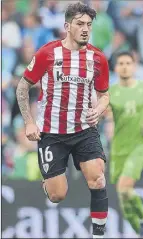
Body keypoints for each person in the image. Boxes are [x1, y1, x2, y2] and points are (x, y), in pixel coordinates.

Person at [16, 3, 112, 238]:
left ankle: (98, 234)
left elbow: (105, 95)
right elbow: (22, 87)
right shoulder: (47, 53)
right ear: (67, 26)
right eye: (80, 24)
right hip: (51, 133)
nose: (85, 29)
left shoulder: (98, 58)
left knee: (98, 177)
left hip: (84, 130)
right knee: (58, 195)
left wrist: (99, 109)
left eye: (89, 24)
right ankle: (49, 183)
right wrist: (29, 122)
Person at [108, 51, 143, 237]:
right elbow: (104, 114)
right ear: (116, 68)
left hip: (139, 146)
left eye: (128, 63)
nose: (124, 66)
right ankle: (142, 231)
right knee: (123, 198)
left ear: (134, 67)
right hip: (118, 148)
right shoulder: (111, 92)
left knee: (124, 188)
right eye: (121, 63)